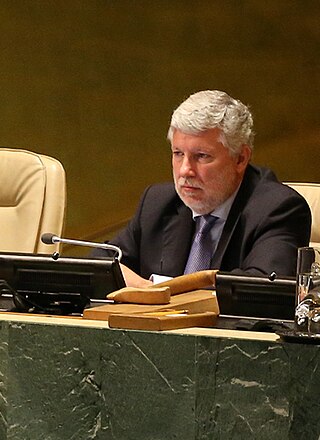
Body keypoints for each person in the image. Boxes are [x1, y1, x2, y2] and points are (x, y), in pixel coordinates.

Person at [93, 90, 311, 287]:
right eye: (178, 154)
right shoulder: (158, 202)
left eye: (202, 156)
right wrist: (145, 289)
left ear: (241, 158)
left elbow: (259, 289)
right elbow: (98, 262)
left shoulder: (278, 209)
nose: (185, 170)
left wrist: (167, 293)